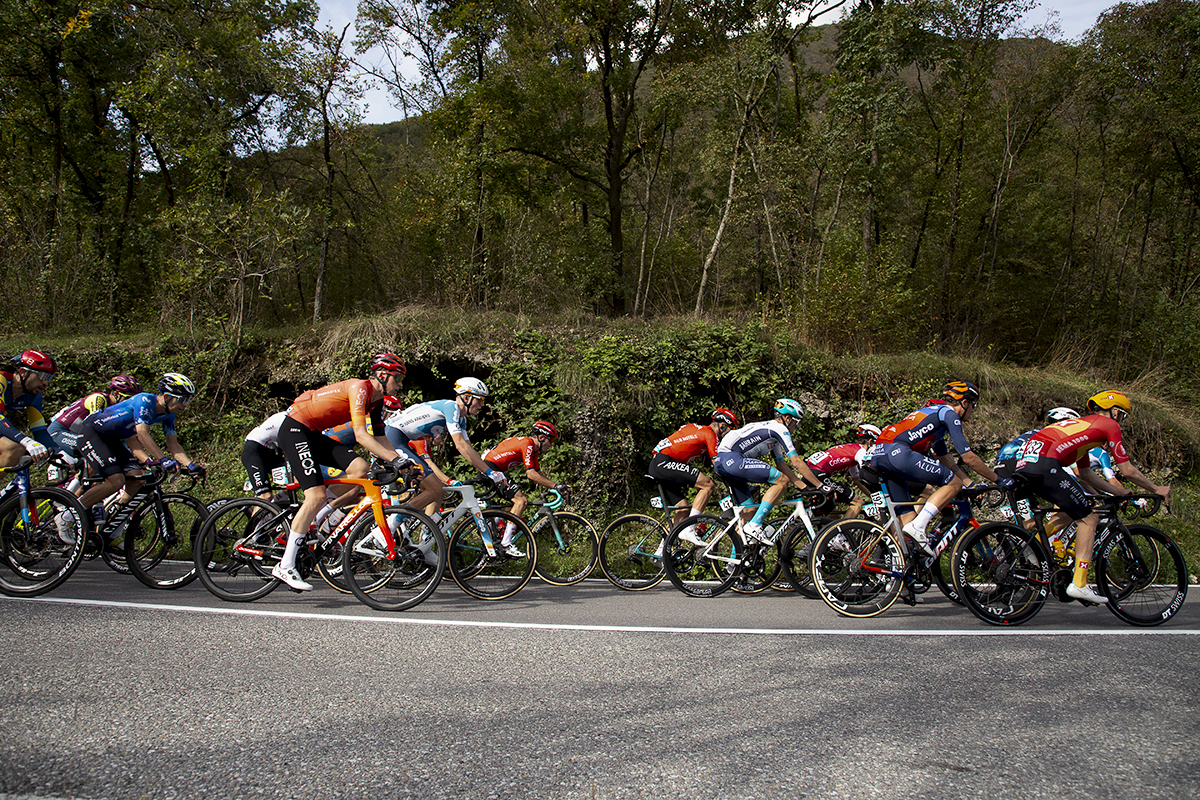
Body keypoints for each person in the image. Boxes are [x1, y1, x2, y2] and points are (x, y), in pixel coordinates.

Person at [1012, 390, 1170, 604]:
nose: (1121, 421)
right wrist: (1155, 488)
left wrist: (1118, 492)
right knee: (1089, 519)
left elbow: (1085, 474)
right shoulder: (1109, 425)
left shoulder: (1083, 428)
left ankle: (1033, 544)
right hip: (1045, 465)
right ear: (1115, 412)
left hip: (1024, 466)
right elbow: (1127, 470)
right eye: (1122, 416)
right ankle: (1079, 583)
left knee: (1072, 510)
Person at [272, 354, 412, 591]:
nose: (400, 384)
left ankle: (316, 515)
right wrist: (396, 460)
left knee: (360, 468)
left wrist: (404, 462)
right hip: (295, 428)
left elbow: (380, 437)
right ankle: (285, 565)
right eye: (397, 378)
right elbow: (361, 435)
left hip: (313, 433)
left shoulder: (377, 401)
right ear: (382, 375)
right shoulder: (360, 388)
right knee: (315, 495)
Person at [867, 380, 998, 554]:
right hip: (898, 453)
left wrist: (970, 483)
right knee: (954, 483)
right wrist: (999, 480)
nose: (973, 410)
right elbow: (968, 457)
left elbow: (945, 459)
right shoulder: (949, 414)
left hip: (880, 455)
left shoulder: (935, 422)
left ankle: (899, 565)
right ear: (964, 403)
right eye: (973, 405)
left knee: (907, 520)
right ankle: (919, 527)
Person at [73, 373, 204, 523]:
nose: (186, 404)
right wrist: (163, 459)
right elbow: (142, 434)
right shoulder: (144, 401)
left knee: (137, 479)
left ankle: (113, 522)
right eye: (182, 399)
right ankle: (69, 515)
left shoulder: (169, 415)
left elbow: (173, 444)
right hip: (93, 433)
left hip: (113, 440)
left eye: (188, 400)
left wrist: (191, 465)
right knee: (116, 481)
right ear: (167, 397)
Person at [384, 377, 512, 515]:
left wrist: (488, 472)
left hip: (402, 439)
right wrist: (491, 473)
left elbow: (468, 449)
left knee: (439, 491)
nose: (482, 405)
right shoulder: (452, 407)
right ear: (466, 398)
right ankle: (393, 523)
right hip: (393, 437)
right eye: (480, 400)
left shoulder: (461, 419)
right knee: (434, 488)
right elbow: (460, 445)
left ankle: (429, 528)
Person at [714, 398, 826, 544]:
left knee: (748, 514)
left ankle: (736, 558)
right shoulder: (780, 429)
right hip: (733, 459)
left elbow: (782, 466)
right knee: (781, 481)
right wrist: (820, 486)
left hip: (723, 462)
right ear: (787, 418)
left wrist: (805, 487)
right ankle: (755, 526)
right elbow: (796, 462)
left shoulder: (771, 432)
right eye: (796, 422)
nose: (796, 427)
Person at [479, 421, 569, 557]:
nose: (552, 444)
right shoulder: (528, 444)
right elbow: (530, 474)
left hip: (491, 467)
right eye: (550, 440)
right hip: (490, 467)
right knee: (521, 501)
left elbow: (537, 473)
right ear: (541, 437)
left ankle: (490, 527)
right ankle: (506, 543)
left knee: (515, 504)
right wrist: (555, 486)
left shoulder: (534, 449)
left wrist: (556, 485)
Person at [647, 409, 739, 528]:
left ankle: (667, 540)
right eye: (730, 431)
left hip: (659, 463)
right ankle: (690, 528)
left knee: (682, 510)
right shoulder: (710, 434)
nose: (728, 436)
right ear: (722, 426)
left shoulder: (696, 428)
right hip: (664, 462)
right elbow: (718, 464)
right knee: (707, 485)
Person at [47, 375, 142, 460]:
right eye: (128, 398)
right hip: (59, 431)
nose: (131, 403)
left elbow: (128, 440)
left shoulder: (121, 411)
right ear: (116, 394)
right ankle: (75, 474)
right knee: (99, 448)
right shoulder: (99, 399)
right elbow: (95, 429)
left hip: (79, 434)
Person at [804, 423, 881, 519]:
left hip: (809, 474)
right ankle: (844, 529)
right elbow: (867, 475)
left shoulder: (851, 450)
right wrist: (880, 495)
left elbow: (857, 480)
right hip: (819, 474)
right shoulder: (861, 452)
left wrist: (872, 497)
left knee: (833, 516)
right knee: (857, 502)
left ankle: (831, 529)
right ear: (871, 442)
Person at [0, 351, 59, 470]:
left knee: (16, 450)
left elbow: (39, 431)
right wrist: (26, 441)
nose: (45, 383)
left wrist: (61, 454)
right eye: (42, 376)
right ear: (23, 372)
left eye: (48, 378)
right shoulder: (1, 381)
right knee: (13, 448)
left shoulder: (33, 397)